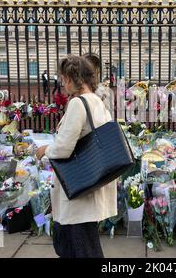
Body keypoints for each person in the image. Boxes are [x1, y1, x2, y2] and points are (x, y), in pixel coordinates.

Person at [36, 55, 116, 258]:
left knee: (78, 248)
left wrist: (44, 150)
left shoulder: (78, 104)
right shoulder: (97, 102)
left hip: (77, 193)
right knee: (85, 246)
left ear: (71, 78)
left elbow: (63, 148)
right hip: (90, 186)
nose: (62, 84)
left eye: (63, 79)